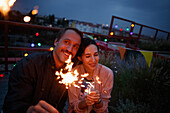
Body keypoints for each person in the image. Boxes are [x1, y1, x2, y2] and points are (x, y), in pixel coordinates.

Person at [3, 27, 83, 113]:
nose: (70, 49)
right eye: (66, 42)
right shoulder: (29, 65)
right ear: (56, 42)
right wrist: (30, 110)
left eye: (75, 46)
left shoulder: (70, 73)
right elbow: (11, 106)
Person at [67, 38, 114, 113]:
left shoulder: (107, 73)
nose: (93, 60)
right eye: (88, 56)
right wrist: (84, 103)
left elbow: (104, 106)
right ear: (80, 58)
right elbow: (73, 104)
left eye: (95, 55)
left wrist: (98, 101)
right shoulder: (73, 74)